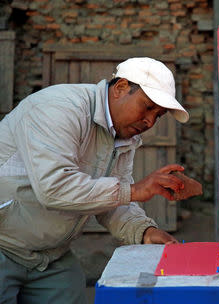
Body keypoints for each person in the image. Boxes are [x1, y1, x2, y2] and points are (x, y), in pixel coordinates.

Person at [0, 57, 189, 303]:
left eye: (159, 115)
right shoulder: (58, 108)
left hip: (50, 256)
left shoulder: (123, 137)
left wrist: (144, 231)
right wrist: (134, 190)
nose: (150, 121)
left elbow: (110, 198)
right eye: (147, 107)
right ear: (120, 87)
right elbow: (54, 188)